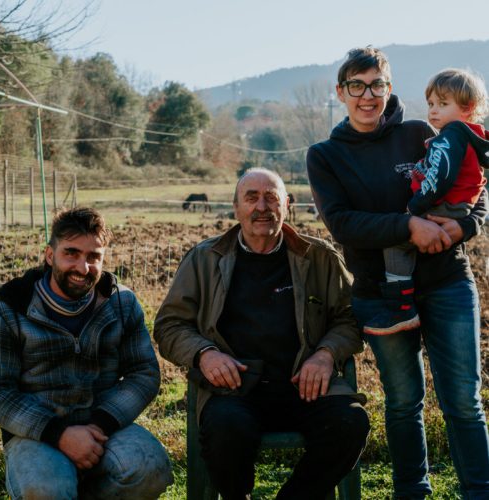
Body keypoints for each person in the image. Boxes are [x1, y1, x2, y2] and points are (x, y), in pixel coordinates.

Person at [307, 47, 489, 499]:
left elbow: (474, 183)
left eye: (377, 85)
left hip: (447, 280)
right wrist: (409, 224)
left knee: (464, 403)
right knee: (405, 402)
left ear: (389, 89)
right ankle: (412, 491)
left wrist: (467, 224)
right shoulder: (325, 155)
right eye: (357, 86)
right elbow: (343, 223)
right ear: (341, 92)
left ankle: (480, 491)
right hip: (379, 292)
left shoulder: (419, 132)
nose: (368, 95)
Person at [154, 167, 369, 500]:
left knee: (350, 424)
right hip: (235, 391)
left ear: (287, 204)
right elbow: (169, 325)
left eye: (271, 197)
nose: (262, 207)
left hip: (306, 387)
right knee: (226, 431)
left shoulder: (320, 257)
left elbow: (351, 319)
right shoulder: (204, 259)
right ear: (236, 208)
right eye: (251, 198)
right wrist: (204, 353)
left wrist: (326, 354)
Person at [0, 207, 173, 500]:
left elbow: (144, 373)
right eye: (71, 253)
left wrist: (98, 425)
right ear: (50, 255)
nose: (83, 267)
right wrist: (58, 434)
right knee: (46, 491)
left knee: (151, 470)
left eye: (93, 257)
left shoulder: (122, 303)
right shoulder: (9, 309)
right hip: (35, 431)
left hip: (105, 424)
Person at [364, 67, 489, 335]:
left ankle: (400, 308)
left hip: (444, 206)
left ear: (467, 107)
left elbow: (439, 178)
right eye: (431, 103)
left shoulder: (452, 136)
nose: (433, 111)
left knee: (396, 242)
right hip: (458, 207)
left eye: (443, 104)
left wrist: (414, 208)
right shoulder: (465, 136)